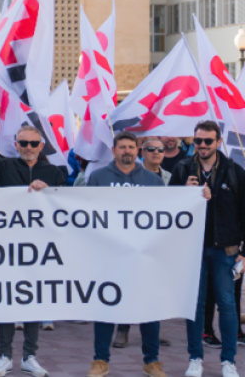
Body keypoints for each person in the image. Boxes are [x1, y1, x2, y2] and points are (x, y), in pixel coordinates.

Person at [0, 112, 65, 377]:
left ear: (41, 146)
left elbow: (65, 207)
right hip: (7, 248)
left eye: (33, 144)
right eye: (23, 143)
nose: (28, 148)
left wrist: (50, 191)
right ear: (16, 145)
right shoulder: (5, 166)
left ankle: (30, 355)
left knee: (34, 301)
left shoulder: (54, 173)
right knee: (7, 300)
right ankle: (5, 355)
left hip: (40, 250)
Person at [84, 132, 179, 377]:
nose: (127, 151)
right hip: (109, 256)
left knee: (149, 308)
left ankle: (152, 361)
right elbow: (86, 213)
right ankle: (100, 360)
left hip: (143, 256)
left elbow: (164, 216)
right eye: (122, 147)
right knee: (106, 307)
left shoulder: (153, 180)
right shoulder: (97, 177)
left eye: (131, 147)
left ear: (137, 151)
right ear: (114, 150)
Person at [169, 121, 245, 377]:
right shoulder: (182, 169)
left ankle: (228, 361)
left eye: (207, 141)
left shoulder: (235, 171)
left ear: (218, 142)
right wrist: (184, 194)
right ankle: (195, 358)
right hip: (193, 249)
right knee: (196, 304)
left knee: (227, 303)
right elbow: (167, 209)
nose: (201, 145)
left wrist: (243, 252)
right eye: (197, 141)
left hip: (226, 249)